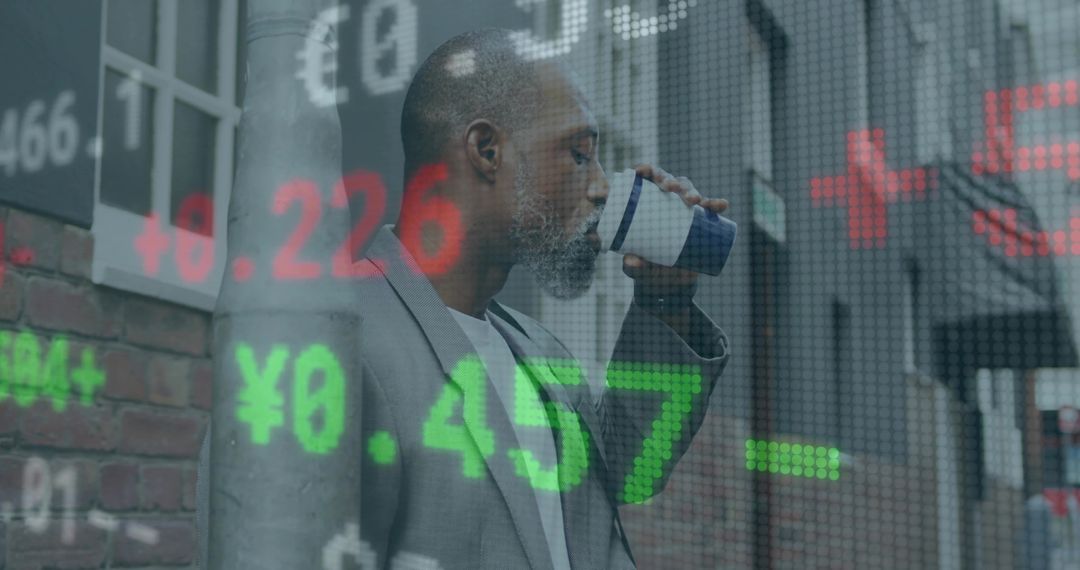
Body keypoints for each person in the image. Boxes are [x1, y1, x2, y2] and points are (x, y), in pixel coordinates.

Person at [199, 28, 730, 569]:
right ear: (487, 150)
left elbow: (631, 471)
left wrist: (666, 301)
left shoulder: (537, 349)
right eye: (578, 153)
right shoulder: (328, 342)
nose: (599, 186)